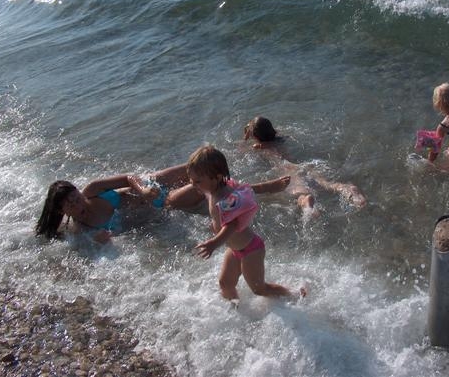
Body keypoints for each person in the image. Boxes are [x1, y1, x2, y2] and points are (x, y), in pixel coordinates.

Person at [35, 164, 290, 243]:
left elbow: (127, 178)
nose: (77, 204)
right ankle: (259, 188)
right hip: (162, 204)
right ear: (61, 210)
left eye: (75, 197)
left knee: (199, 167)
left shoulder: (91, 190)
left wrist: (143, 189)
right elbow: (106, 244)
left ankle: (249, 185)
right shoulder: (82, 229)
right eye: (70, 205)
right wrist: (102, 241)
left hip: (152, 185)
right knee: (203, 187)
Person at [187, 145, 303, 301]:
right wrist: (270, 186)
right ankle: (235, 308)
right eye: (191, 180)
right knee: (225, 284)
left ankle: (295, 294)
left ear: (217, 177)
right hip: (235, 249)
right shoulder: (214, 190)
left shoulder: (225, 199)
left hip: (250, 250)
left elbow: (231, 226)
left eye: (197, 181)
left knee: (259, 289)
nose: (193, 184)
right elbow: (247, 189)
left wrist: (214, 243)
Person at [243, 116, 367, 214]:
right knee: (328, 184)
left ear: (255, 136)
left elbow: (242, 148)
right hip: (301, 166)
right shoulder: (280, 138)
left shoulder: (258, 146)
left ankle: (306, 202)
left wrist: (245, 137)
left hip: (287, 170)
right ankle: (347, 189)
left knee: (299, 194)